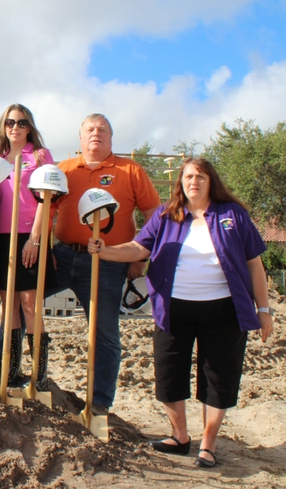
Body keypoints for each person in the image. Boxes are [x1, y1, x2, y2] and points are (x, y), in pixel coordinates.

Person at [88, 157, 273, 468]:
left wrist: (264, 309)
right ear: (181, 182)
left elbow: (254, 263)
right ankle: (180, 437)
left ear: (211, 181)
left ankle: (209, 445)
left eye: (200, 176)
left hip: (224, 310)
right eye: (188, 176)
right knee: (169, 373)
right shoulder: (166, 214)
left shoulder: (233, 214)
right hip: (173, 309)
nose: (194, 182)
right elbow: (137, 248)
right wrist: (105, 250)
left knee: (218, 378)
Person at [52, 113, 161, 415]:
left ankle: (99, 402)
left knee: (104, 332)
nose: (96, 134)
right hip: (61, 255)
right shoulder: (64, 169)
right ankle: (8, 370)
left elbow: (154, 214)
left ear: (111, 138)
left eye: (103, 130)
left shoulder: (130, 170)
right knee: (23, 304)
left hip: (108, 261)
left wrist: (141, 253)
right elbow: (46, 210)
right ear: (80, 138)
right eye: (90, 129)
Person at [0, 104, 56, 389]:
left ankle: (39, 373)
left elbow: (46, 199)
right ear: (3, 126)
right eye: (10, 122)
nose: (15, 127)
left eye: (22, 122)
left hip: (31, 236)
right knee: (9, 306)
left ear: (30, 126)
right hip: (2, 238)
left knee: (30, 303)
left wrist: (35, 239)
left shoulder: (40, 156)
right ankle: (12, 368)